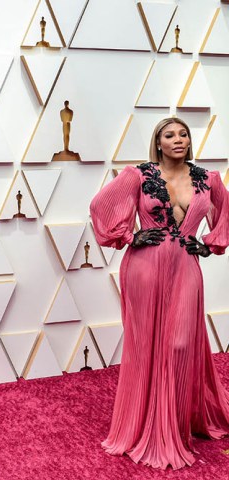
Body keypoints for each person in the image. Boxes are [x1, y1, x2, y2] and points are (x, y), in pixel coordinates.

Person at [90, 117, 229, 470]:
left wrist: (211, 244)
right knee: (147, 343)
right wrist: (127, 236)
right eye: (170, 135)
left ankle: (176, 426)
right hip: (144, 269)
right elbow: (100, 207)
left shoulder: (207, 179)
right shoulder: (137, 176)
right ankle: (148, 428)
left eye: (183, 134)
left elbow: (224, 214)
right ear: (158, 142)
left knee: (181, 343)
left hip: (185, 267)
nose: (178, 139)